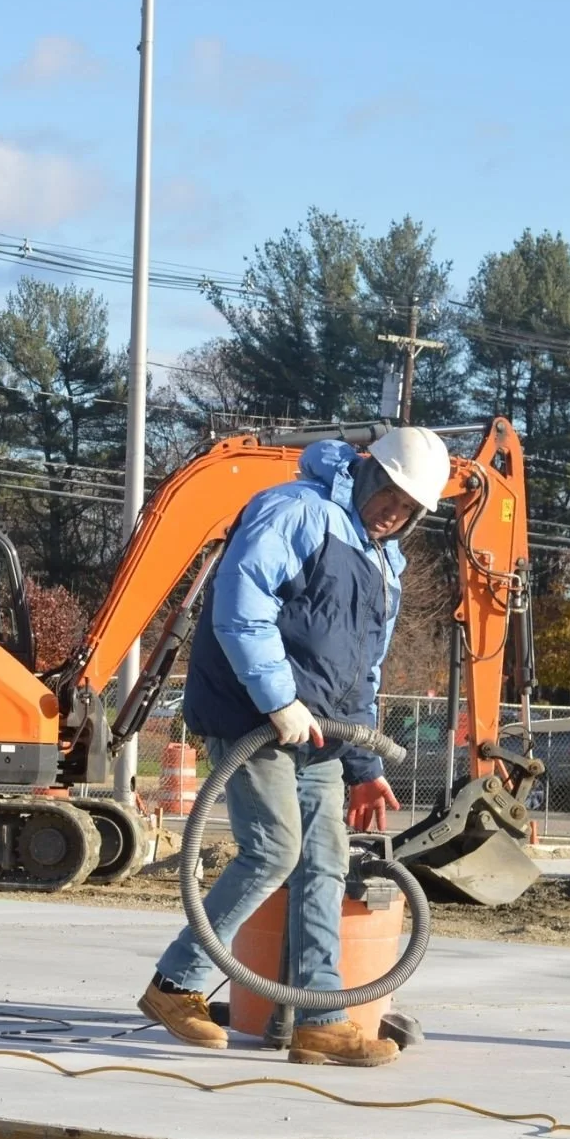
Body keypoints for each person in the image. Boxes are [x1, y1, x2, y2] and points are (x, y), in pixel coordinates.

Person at [139, 427, 450, 1068]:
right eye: (389, 493)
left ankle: (321, 1021)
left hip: (324, 739)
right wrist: (279, 700)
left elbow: (361, 673)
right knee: (275, 850)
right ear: (367, 471)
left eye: (408, 507)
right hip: (257, 716)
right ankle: (176, 985)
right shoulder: (297, 510)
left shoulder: (386, 563)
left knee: (326, 866)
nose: (394, 511)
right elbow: (240, 606)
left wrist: (363, 767)